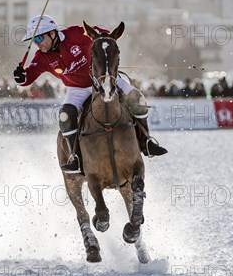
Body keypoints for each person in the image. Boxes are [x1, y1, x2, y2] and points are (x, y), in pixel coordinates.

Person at [13, 15, 167, 174]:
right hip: (77, 89)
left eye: (39, 38)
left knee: (137, 99)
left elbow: (103, 35)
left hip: (104, 80)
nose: (38, 44)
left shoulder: (75, 34)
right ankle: (75, 157)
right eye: (34, 40)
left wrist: (104, 37)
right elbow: (27, 78)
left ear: (52, 33)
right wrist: (20, 77)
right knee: (65, 116)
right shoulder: (42, 57)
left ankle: (146, 142)